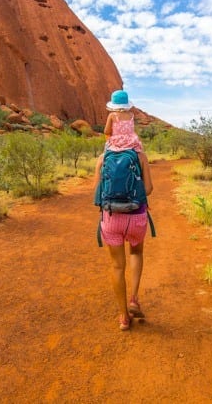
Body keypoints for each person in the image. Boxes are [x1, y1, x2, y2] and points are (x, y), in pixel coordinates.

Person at [94, 136, 154, 331]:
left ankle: (123, 317)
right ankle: (134, 300)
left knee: (117, 266)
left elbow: (97, 191)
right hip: (136, 217)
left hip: (111, 218)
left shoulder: (103, 157)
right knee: (136, 252)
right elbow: (148, 189)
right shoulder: (140, 156)